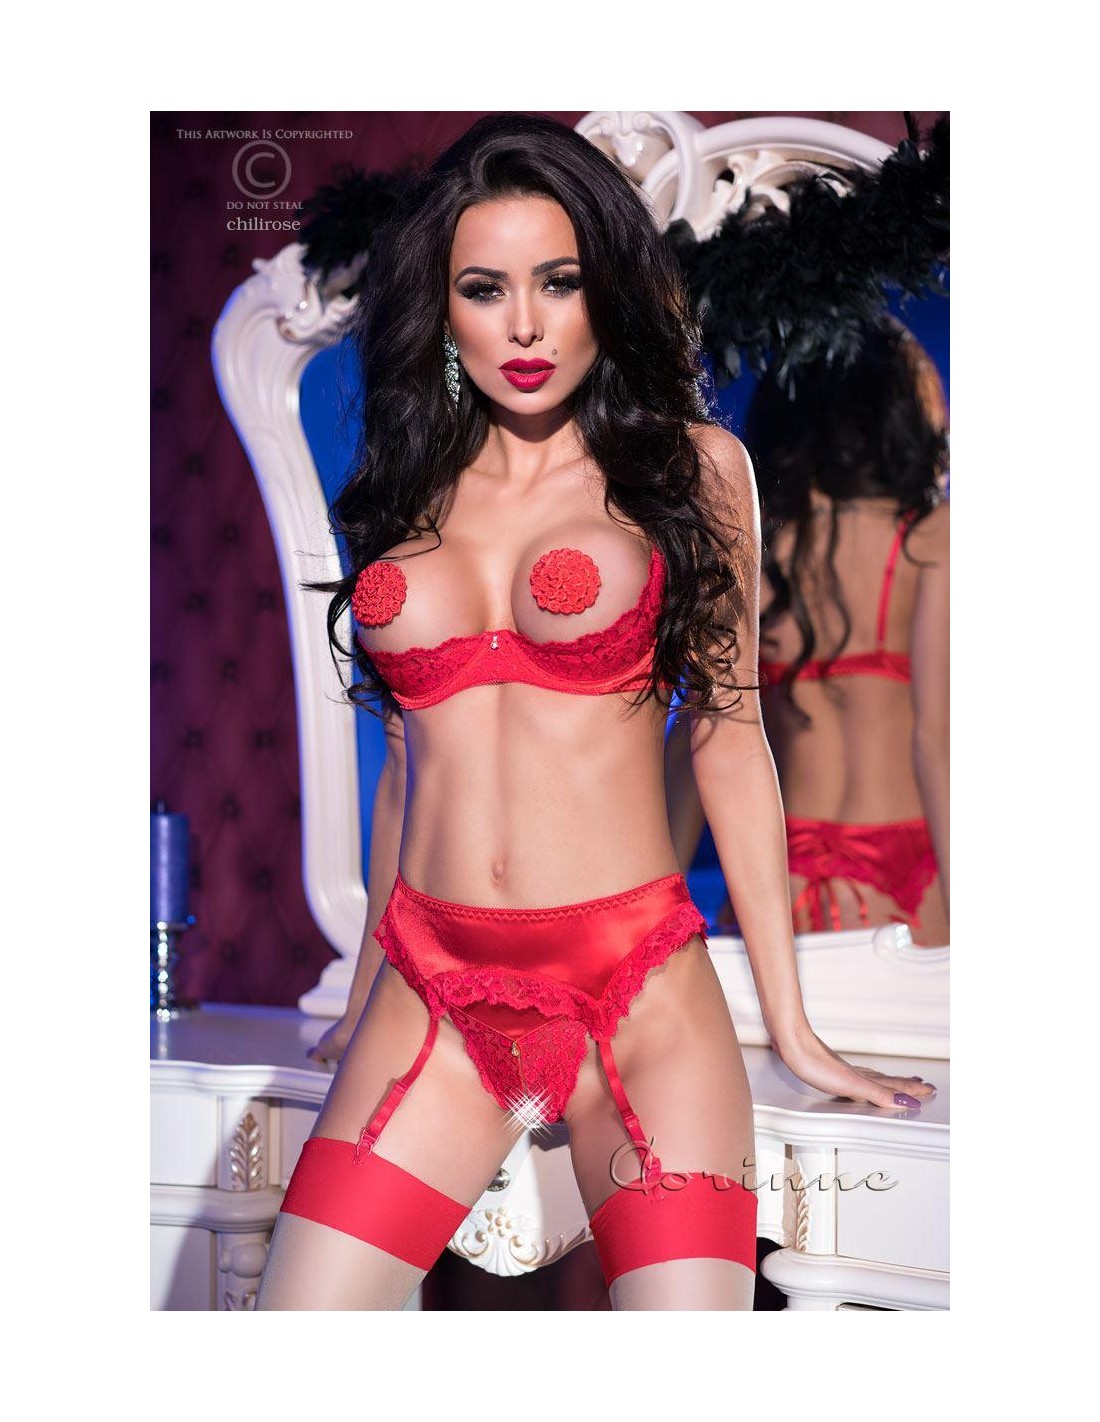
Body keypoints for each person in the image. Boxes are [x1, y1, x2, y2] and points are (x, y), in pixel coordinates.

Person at [255, 114, 936, 1313]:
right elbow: (407, 766)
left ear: (604, 290)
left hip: (637, 1001)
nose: (523, 325)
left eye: (558, 282)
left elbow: (729, 740)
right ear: (444, 308)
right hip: (427, 995)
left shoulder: (690, 469)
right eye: (485, 289)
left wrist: (791, 1025)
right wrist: (360, 1000)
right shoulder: (403, 481)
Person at [668, 320, 949, 945]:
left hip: (780, 882)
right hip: (915, 883)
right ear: (902, 413)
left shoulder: (744, 546)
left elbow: (697, 735)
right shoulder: (934, 539)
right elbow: (938, 745)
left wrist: (660, 910)